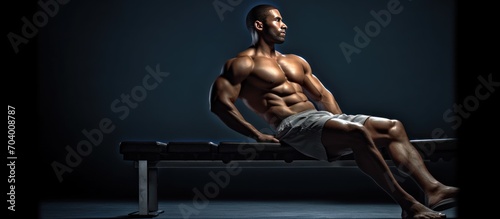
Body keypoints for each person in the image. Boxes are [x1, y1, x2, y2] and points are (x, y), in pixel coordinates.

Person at [208, 4, 458, 219]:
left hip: (322, 121)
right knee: (357, 133)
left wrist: (339, 121)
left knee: (393, 127)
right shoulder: (243, 63)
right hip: (293, 126)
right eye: (277, 19)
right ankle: (409, 205)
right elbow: (220, 103)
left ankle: (433, 189)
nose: (284, 25)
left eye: (283, 20)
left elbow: (321, 95)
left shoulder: (295, 61)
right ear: (259, 25)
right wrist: (256, 134)